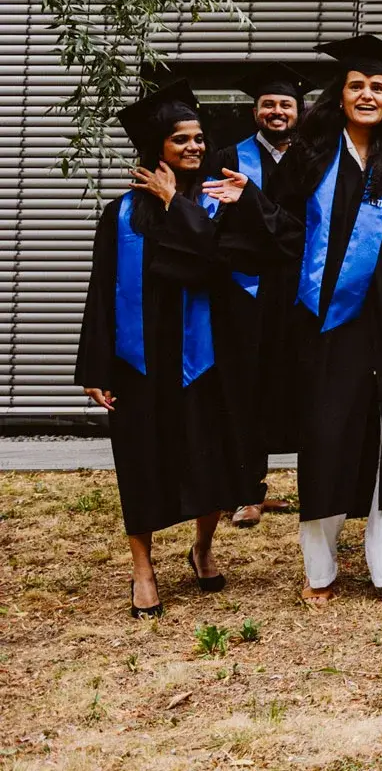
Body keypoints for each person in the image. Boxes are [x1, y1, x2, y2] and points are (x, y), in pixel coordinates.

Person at [216, 35, 382, 606]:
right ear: (340, 95)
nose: (368, 94)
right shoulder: (309, 157)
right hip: (326, 324)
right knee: (325, 435)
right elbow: (285, 229)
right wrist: (248, 197)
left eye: (377, 86)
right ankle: (319, 569)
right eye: (357, 86)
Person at [79, 81, 254, 618]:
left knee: (208, 460)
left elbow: (216, 260)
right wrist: (97, 366)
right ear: (158, 147)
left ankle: (201, 548)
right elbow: (103, 288)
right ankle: (143, 569)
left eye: (200, 137)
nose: (196, 147)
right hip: (139, 362)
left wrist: (176, 200)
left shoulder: (215, 201)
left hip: (202, 356)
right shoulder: (121, 214)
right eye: (182, 139)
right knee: (139, 463)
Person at [207, 63, 306, 529]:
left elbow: (311, 231)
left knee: (302, 386)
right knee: (245, 389)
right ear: (255, 111)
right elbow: (218, 227)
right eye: (268, 104)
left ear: (299, 110)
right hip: (246, 292)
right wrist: (275, 231)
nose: (277, 111)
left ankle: (316, 488)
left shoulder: (316, 159)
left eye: (285, 103)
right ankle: (248, 493)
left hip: (301, 290)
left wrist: (262, 220)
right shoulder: (230, 157)